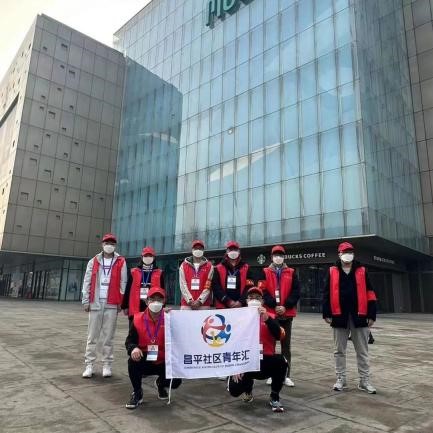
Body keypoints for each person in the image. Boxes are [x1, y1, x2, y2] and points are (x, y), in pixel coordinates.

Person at [322, 241, 377, 394]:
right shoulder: (332, 271)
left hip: (360, 315)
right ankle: (341, 379)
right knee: (339, 351)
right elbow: (326, 293)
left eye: (350, 252)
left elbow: (370, 292)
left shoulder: (362, 270)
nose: (348, 254)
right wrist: (326, 313)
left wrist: (372, 314)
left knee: (362, 351)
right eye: (345, 252)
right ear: (339, 254)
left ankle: (364, 381)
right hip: (339, 315)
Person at [228, 287, 288, 413]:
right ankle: (248, 390)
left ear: (262, 301)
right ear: (246, 301)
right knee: (234, 390)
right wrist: (235, 366)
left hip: (265, 360)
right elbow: (232, 342)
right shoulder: (239, 318)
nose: (254, 300)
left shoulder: (270, 316)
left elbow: (280, 335)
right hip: (246, 361)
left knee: (281, 362)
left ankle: (274, 396)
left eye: (257, 298)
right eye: (251, 298)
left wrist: (267, 319)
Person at [125, 287, 182, 409]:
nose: (156, 302)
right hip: (145, 358)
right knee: (132, 361)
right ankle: (137, 392)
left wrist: (175, 316)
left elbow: (180, 339)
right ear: (147, 301)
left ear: (164, 302)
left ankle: (161, 384)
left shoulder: (169, 318)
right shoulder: (137, 319)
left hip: (163, 360)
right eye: (152, 299)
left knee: (177, 380)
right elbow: (130, 341)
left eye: (159, 299)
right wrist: (134, 348)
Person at [81, 233, 127, 378]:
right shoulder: (93, 261)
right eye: (107, 243)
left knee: (108, 337)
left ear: (115, 246)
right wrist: (85, 300)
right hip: (95, 302)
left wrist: (121, 302)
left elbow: (123, 283)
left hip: (112, 303)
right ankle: (89, 365)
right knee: (92, 336)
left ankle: (107, 364)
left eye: (112, 243)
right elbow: (87, 281)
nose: (109, 246)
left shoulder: (121, 261)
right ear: (102, 244)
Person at [258, 245, 300, 387]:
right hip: (271, 315)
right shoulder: (265, 271)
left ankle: (286, 375)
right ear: (271, 257)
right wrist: (274, 305)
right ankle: (271, 374)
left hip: (286, 314)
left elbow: (296, 291)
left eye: (281, 255)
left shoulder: (291, 272)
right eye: (276, 255)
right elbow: (262, 291)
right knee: (270, 346)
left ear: (284, 257)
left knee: (285, 346)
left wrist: (286, 306)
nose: (278, 257)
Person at [121, 246, 164, 320]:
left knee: (150, 325)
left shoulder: (159, 273)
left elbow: (163, 291)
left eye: (150, 256)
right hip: (135, 305)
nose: (148, 258)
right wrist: (125, 306)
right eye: (146, 256)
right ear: (141, 257)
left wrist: (163, 306)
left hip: (153, 305)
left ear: (154, 258)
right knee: (135, 326)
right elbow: (128, 290)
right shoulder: (134, 272)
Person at [212, 240, 255, 309]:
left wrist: (241, 301)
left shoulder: (247, 268)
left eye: (235, 249)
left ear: (239, 252)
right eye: (230, 249)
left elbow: (249, 287)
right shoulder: (218, 268)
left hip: (242, 306)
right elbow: (216, 287)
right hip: (223, 306)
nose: (233, 251)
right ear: (227, 252)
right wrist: (228, 301)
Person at [179, 240, 213, 310]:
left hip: (204, 305)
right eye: (196, 248)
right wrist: (189, 300)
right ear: (192, 250)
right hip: (187, 304)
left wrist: (200, 301)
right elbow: (183, 284)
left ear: (203, 250)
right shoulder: (183, 265)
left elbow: (208, 286)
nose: (198, 250)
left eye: (200, 248)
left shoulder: (210, 266)